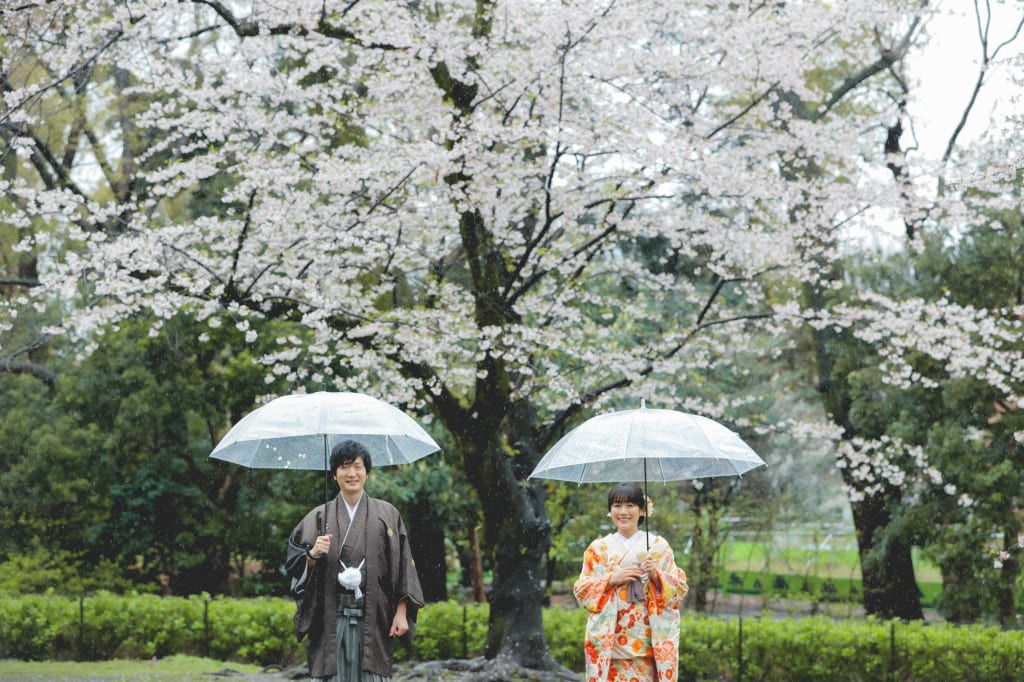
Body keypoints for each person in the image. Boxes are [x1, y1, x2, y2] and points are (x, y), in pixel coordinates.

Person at [285, 440, 424, 682]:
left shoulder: (387, 514)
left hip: (374, 615)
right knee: (332, 675)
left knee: (371, 675)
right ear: (335, 475)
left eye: (358, 467)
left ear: (367, 473)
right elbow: (295, 564)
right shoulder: (319, 516)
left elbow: (404, 566)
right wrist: (312, 555)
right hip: (330, 615)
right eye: (344, 467)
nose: (352, 474)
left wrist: (402, 612)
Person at [573, 482, 689, 682]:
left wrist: (657, 576)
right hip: (610, 644)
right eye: (617, 506)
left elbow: (679, 589)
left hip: (647, 642)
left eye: (630, 505)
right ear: (609, 510)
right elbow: (582, 590)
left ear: (642, 510)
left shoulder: (658, 547)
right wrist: (611, 579)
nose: (623, 512)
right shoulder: (598, 549)